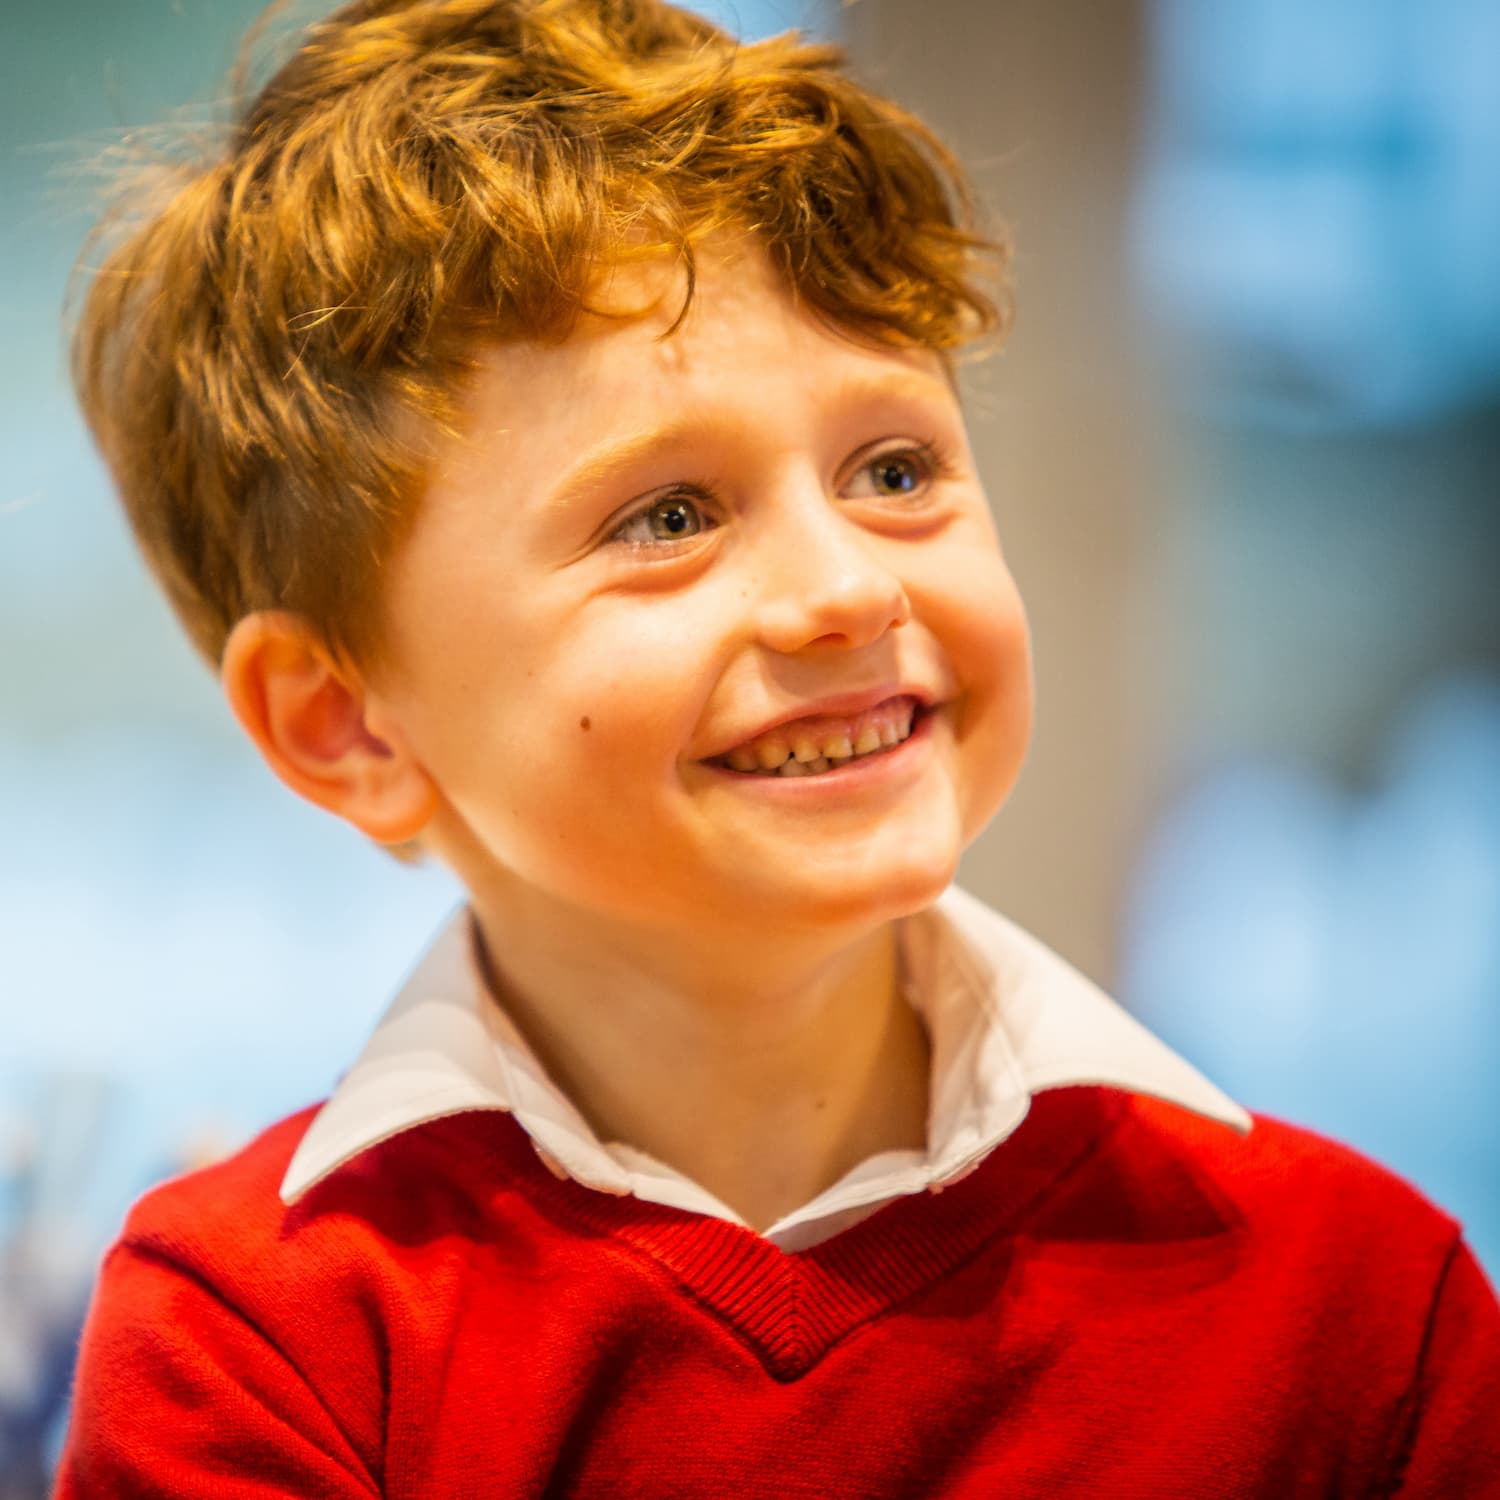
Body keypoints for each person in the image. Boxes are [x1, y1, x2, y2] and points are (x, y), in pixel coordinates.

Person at [53, 0, 1500, 1494]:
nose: (849, 588)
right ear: (346, 720)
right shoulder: (256, 1345)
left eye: (896, 470)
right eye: (670, 516)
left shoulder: (1360, 1313)